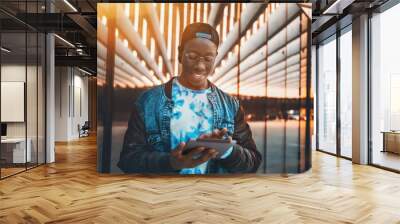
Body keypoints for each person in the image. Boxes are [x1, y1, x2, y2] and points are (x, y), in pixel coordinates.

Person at [117, 22, 261, 174]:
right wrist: (170, 163)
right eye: (192, 56)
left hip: (212, 195)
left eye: (208, 58)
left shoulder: (231, 106)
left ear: (215, 57)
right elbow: (129, 160)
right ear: (180, 53)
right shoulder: (148, 102)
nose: (200, 66)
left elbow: (253, 163)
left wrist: (227, 150)